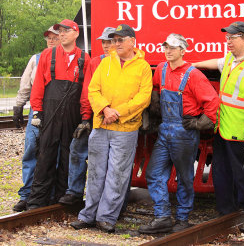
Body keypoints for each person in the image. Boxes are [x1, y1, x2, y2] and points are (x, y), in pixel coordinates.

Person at [70, 24, 152, 233]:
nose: (116, 44)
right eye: (114, 40)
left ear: (132, 41)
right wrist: (105, 109)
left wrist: (118, 112)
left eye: (120, 40)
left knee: (117, 174)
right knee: (96, 172)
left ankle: (106, 217)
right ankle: (88, 215)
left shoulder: (142, 67)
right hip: (101, 125)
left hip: (125, 129)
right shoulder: (105, 63)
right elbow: (93, 89)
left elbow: (143, 98)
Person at [193, 21, 244, 233]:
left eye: (232, 37)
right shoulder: (230, 59)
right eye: (227, 37)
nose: (228, 41)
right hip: (224, 129)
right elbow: (216, 63)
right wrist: (193, 65)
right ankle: (226, 211)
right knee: (222, 172)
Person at [138, 33, 219, 234]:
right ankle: (163, 217)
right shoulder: (162, 69)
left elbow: (213, 103)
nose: (168, 51)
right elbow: (156, 87)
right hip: (166, 129)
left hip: (184, 132)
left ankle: (182, 218)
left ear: (183, 51)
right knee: (154, 173)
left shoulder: (193, 75)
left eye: (172, 48)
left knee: (184, 177)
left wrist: (201, 124)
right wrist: (155, 102)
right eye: (166, 47)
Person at [26, 19, 91, 210]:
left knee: (68, 155)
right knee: (45, 154)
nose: (61, 34)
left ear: (76, 33)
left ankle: (62, 199)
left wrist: (85, 117)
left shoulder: (84, 59)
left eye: (65, 31)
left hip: (72, 114)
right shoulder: (48, 55)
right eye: (59, 31)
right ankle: (37, 201)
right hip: (50, 112)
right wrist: (37, 112)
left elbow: (86, 91)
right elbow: (38, 86)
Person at [58, 27, 115, 205]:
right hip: (94, 115)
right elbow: (87, 90)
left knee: (108, 159)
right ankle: (74, 192)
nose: (106, 45)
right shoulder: (95, 62)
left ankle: (107, 198)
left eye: (110, 42)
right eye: (103, 42)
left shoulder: (124, 63)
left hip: (115, 117)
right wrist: (85, 117)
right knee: (77, 148)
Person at [12, 26, 60, 212]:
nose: (50, 40)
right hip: (36, 110)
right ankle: (27, 194)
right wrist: (18, 105)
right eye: (48, 37)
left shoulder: (66, 59)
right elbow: (25, 85)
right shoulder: (36, 59)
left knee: (53, 152)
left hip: (56, 111)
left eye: (55, 37)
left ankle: (50, 192)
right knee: (31, 150)